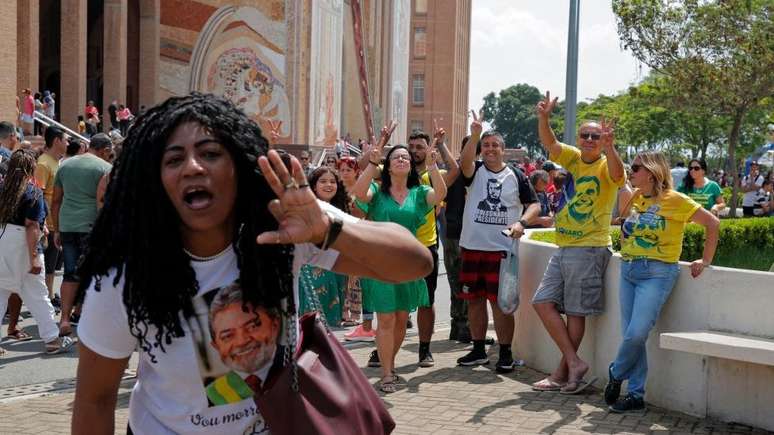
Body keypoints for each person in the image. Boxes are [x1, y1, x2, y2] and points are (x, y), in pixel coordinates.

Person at [71, 94, 431, 434]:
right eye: (174, 159)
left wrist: (327, 230)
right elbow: (94, 400)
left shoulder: (285, 227)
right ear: (155, 180)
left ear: (238, 167)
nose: (193, 167)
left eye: (210, 153)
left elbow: (415, 263)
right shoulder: (123, 276)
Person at [605, 150, 719, 413]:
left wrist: (705, 260)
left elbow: (712, 223)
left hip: (658, 271)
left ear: (652, 172)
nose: (631, 172)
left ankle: (616, 371)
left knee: (636, 333)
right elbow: (626, 225)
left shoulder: (675, 200)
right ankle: (635, 395)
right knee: (632, 337)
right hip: (628, 269)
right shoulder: (635, 196)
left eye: (635, 168)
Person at [531, 92, 626, 394]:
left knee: (575, 312)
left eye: (594, 136)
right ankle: (573, 363)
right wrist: (544, 118)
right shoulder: (571, 157)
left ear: (602, 140)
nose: (588, 139)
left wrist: (611, 148)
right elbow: (550, 144)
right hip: (565, 246)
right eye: (584, 134)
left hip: (590, 247)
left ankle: (564, 373)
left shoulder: (605, 165)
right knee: (542, 302)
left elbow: (618, 174)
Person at [351, 123, 447, 392]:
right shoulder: (377, 193)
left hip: (408, 265)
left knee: (402, 320)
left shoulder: (418, 194)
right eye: (396, 157)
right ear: (389, 166)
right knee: (387, 320)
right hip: (380, 265)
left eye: (405, 156)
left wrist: (431, 165)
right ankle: (387, 373)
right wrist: (373, 160)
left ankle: (389, 365)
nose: (403, 159)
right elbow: (359, 193)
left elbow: (440, 194)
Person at [455, 110, 540, 373]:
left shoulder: (516, 175)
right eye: (486, 146)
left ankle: (505, 353)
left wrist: (521, 223)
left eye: (495, 145)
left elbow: (534, 204)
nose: (490, 149)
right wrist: (476, 133)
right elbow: (465, 160)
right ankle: (478, 349)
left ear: (503, 149)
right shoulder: (475, 170)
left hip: (502, 251)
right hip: (472, 247)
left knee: (501, 304)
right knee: (474, 301)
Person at [0, 149, 74, 356]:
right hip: (22, 244)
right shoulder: (32, 191)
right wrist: (34, 257)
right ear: (30, 167)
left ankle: (51, 338)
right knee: (38, 294)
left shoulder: (2, 187)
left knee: (1, 292)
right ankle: (52, 339)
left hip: (2, 239)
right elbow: (32, 225)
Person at [407, 123, 458, 367]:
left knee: (426, 301)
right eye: (412, 146)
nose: (414, 150)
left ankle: (424, 349)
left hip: (425, 246)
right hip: (395, 245)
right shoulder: (395, 172)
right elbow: (365, 167)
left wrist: (441, 145)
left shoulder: (431, 175)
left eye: (420, 147)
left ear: (427, 149)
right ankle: (384, 348)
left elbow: (455, 171)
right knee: (392, 302)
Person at [52, 133, 113, 337]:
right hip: (92, 226)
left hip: (67, 224)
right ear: (104, 150)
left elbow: (56, 200)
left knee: (70, 274)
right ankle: (86, 317)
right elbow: (105, 202)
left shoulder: (65, 165)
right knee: (93, 272)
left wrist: (57, 228)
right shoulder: (104, 168)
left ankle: (65, 319)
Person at [205, 283, 281, 406]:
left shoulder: (298, 364)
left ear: (275, 325)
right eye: (227, 336)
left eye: (252, 326)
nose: (242, 341)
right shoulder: (211, 398)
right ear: (216, 347)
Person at [298, 167, 349, 324]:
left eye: (333, 182)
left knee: (330, 324)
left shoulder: (342, 209)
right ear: (314, 186)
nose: (329, 185)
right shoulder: (305, 207)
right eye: (323, 181)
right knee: (311, 321)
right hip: (313, 269)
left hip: (338, 269)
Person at [441, 136, 473, 343]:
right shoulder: (455, 172)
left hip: (467, 234)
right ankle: (462, 326)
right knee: (460, 281)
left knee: (462, 281)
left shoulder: (478, 171)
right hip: (456, 233)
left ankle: (460, 326)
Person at [35, 126, 68, 305]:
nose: (67, 143)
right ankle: (45, 297)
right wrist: (44, 223)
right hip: (48, 224)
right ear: (56, 141)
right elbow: (38, 194)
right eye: (65, 139)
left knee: (53, 265)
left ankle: (49, 294)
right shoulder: (43, 163)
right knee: (46, 264)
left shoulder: (57, 162)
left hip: (57, 222)